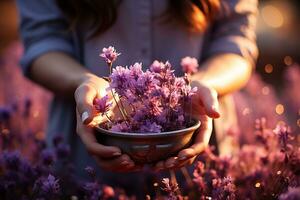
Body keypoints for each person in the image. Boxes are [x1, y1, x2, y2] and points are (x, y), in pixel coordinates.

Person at [16, 0, 258, 195]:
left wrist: (202, 85)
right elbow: (43, 41)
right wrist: (84, 82)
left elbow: (235, 42)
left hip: (201, 169)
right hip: (82, 159)